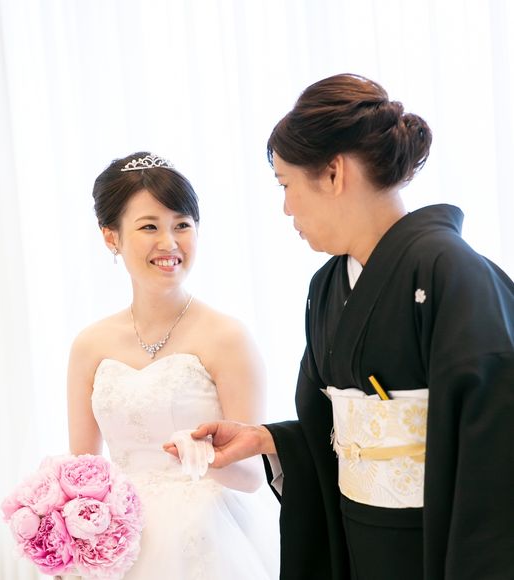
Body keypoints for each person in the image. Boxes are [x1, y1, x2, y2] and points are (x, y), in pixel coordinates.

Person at [171, 74, 514, 580]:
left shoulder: (451, 272)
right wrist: (267, 440)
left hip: (432, 550)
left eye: (286, 185)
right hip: (359, 544)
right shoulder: (328, 285)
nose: (286, 207)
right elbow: (334, 428)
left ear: (333, 173)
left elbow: (496, 455)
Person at [66, 152, 280, 579]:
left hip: (209, 539)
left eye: (182, 225)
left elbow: (253, 474)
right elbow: (82, 472)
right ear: (111, 236)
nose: (169, 243)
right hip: (119, 542)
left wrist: (207, 458)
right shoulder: (90, 345)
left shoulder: (227, 337)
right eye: (149, 227)